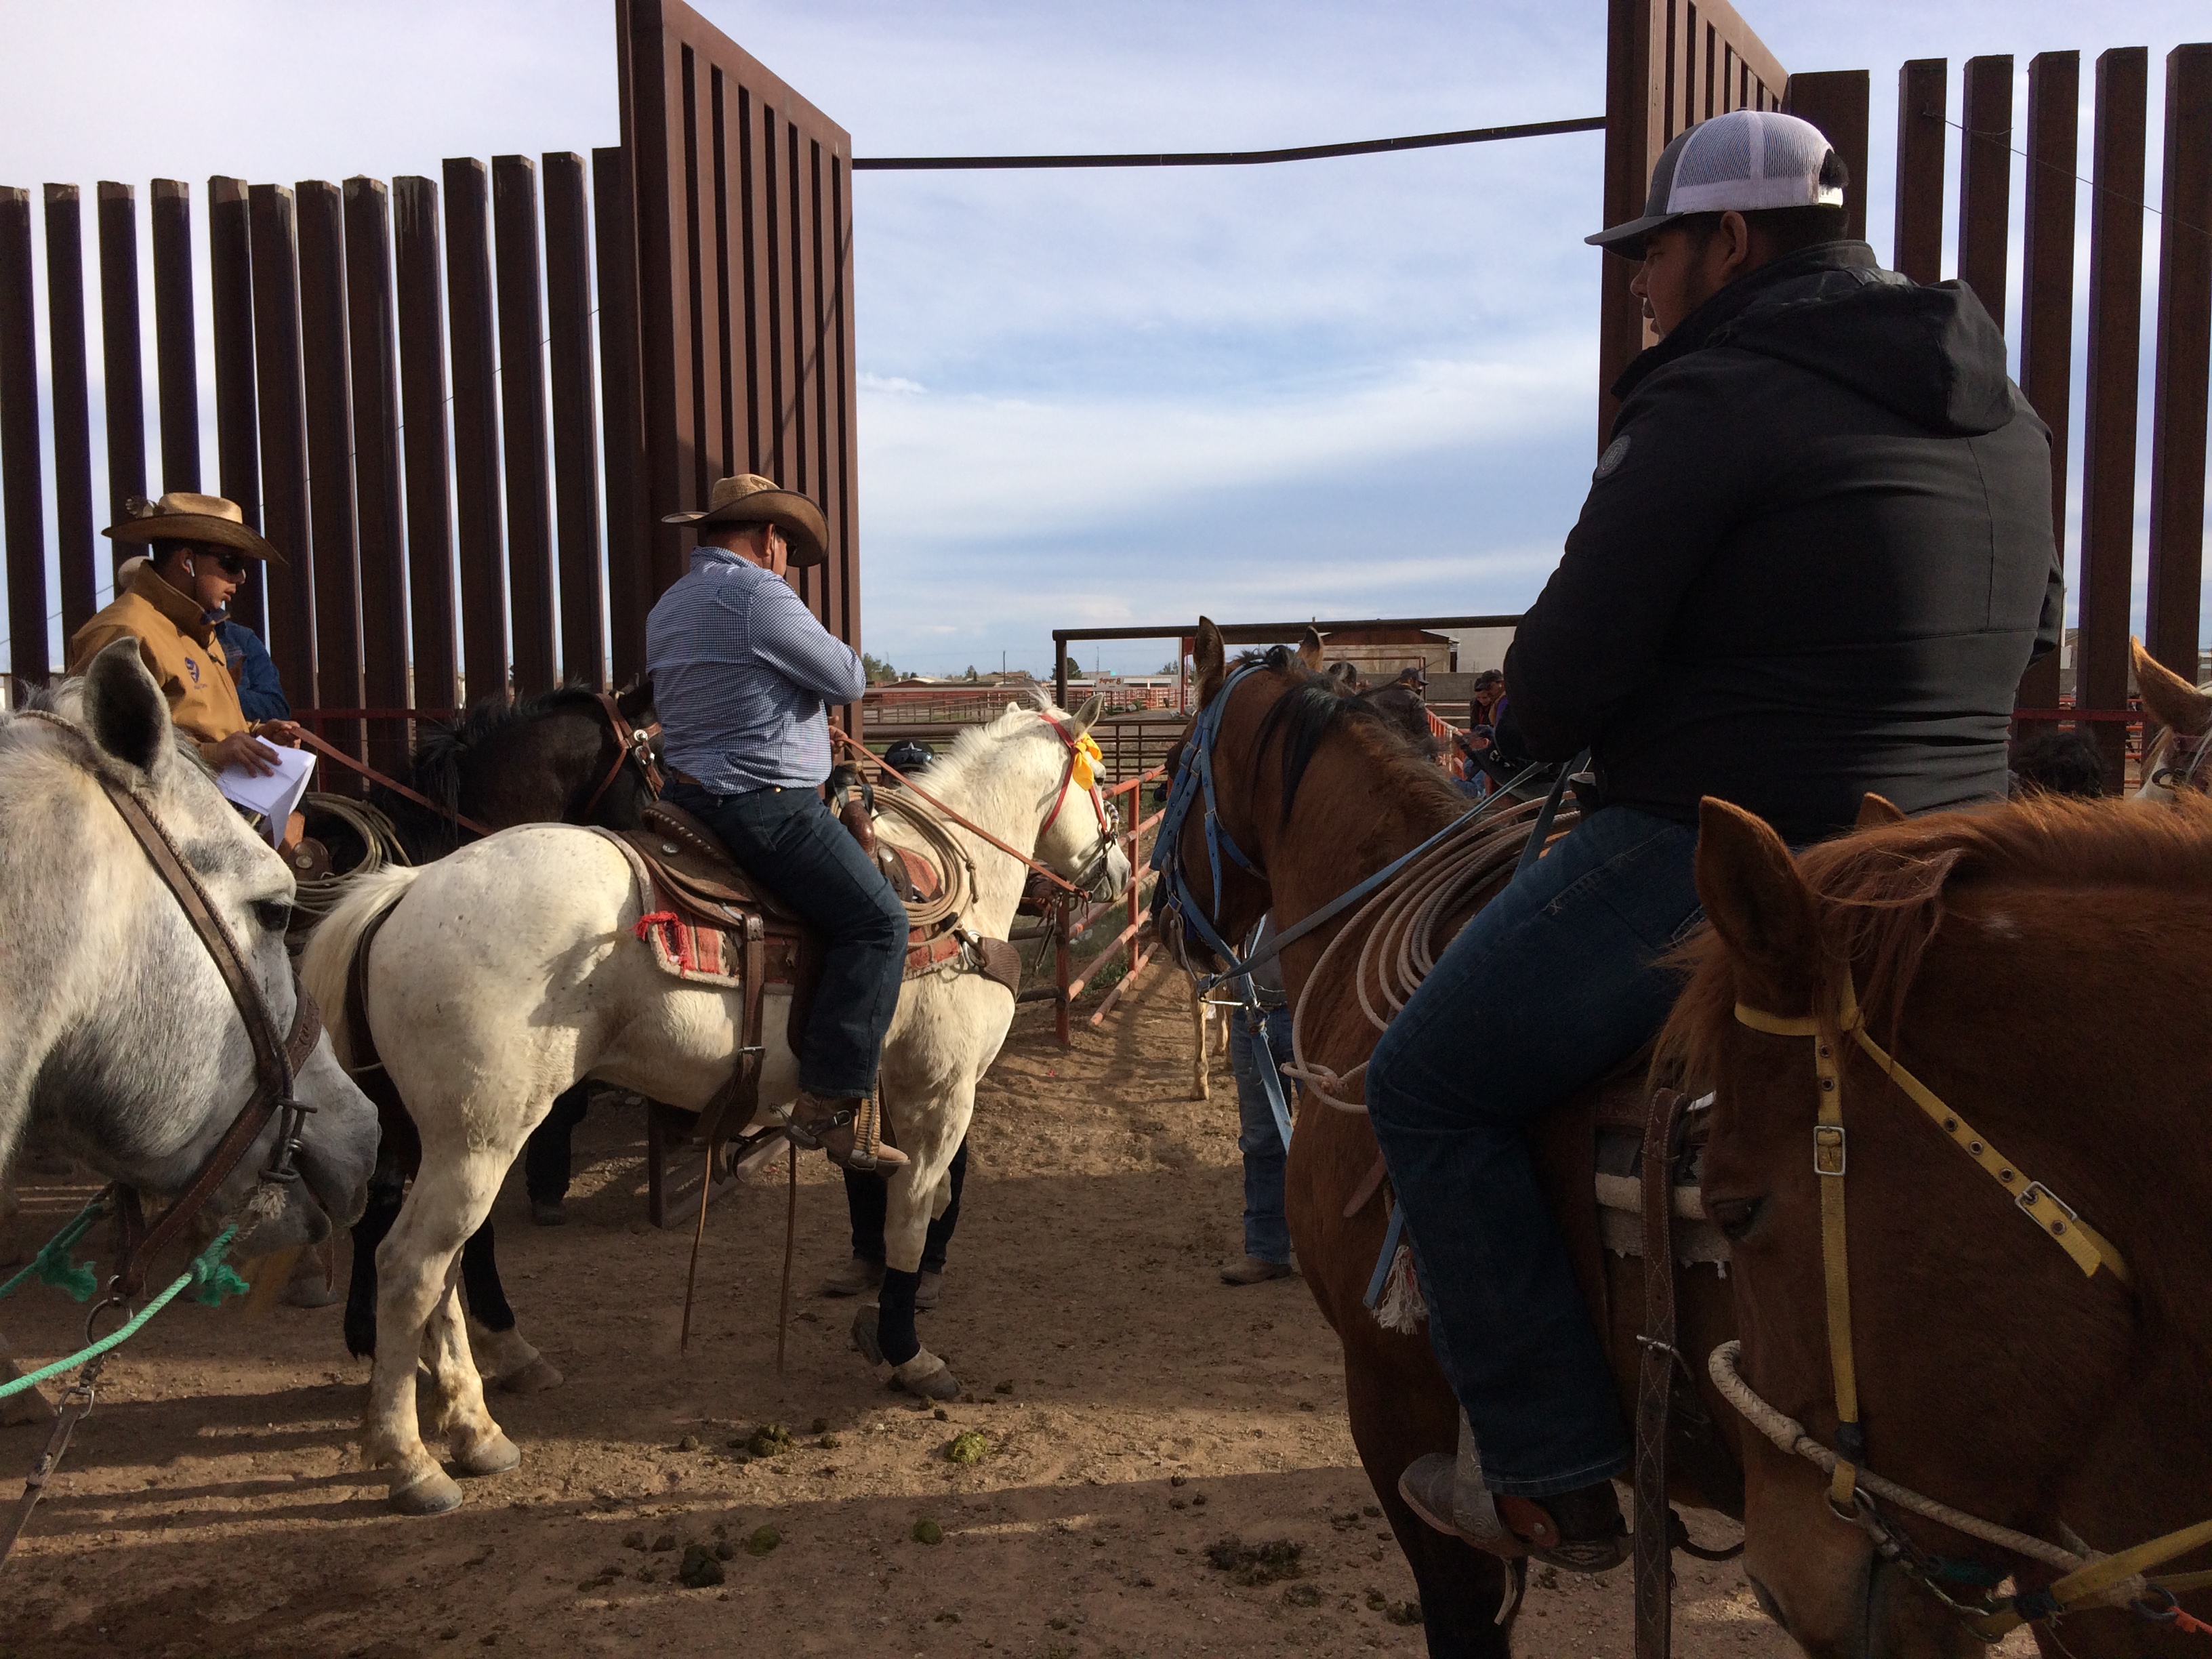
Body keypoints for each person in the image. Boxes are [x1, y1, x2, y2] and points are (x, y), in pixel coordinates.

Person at [1368, 108, 2062, 1570]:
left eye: (1651, 255)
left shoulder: (1713, 391)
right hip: (1963, 848)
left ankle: (1548, 1474)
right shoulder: (2009, 414)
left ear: (1727, 241)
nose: (1640, 286)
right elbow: (2029, 644)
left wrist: (1540, 731)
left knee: (1426, 1077)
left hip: (1744, 843)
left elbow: (1564, 668)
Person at [648, 474, 911, 1172]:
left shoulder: (670, 605)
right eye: (786, 544)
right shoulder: (759, 594)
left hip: (686, 800)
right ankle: (831, 1101)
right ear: (767, 538)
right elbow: (848, 680)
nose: (788, 557)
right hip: (766, 803)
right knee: (880, 922)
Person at [817, 736, 969, 1308]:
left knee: (942, 1129)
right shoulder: (871, 845)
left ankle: (928, 1258)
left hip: (937, 1013)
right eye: (898, 778)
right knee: (864, 1124)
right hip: (885, 1008)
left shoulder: (946, 856)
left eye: (915, 778)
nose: (906, 787)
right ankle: (868, 1251)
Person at [70, 493, 302, 774]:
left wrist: (258, 734)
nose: (241, 577)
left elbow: (198, 721)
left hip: (210, 802)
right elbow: (96, 747)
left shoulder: (201, 628)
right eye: (231, 562)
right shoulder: (125, 630)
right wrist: (213, 753)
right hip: (170, 813)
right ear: (187, 560)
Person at [1221, 916, 1295, 1285]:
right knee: (1261, 1137)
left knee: (1331, 1133)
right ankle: (1267, 1250)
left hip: (1304, 1005)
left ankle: (1332, 1249)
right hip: (1251, 1010)